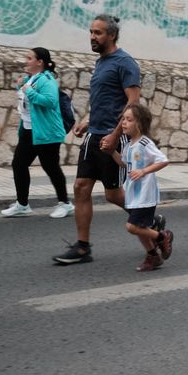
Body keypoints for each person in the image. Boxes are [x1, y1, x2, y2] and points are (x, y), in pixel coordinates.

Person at [53, 14, 142, 265]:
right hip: (94, 134)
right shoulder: (102, 62)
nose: (92, 37)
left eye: (98, 33)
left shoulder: (125, 63)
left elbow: (132, 102)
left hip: (112, 137)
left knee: (114, 195)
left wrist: (116, 135)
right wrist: (88, 121)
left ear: (111, 35)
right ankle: (83, 247)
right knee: (81, 187)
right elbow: (105, 100)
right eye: (91, 32)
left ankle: (147, 218)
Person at [0, 47, 74, 218]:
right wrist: (23, 85)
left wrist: (29, 91)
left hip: (46, 132)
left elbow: (49, 101)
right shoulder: (31, 78)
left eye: (29, 58)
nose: (25, 61)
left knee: (51, 167)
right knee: (19, 164)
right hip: (28, 130)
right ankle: (22, 205)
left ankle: (65, 204)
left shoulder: (47, 80)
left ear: (40, 62)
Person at [111, 104, 173, 271]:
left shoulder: (145, 143)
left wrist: (144, 171)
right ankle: (153, 256)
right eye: (123, 119)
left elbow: (163, 160)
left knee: (132, 227)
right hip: (133, 193)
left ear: (139, 123)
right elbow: (124, 164)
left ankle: (162, 236)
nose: (124, 122)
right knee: (141, 228)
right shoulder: (129, 144)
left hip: (145, 194)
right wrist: (111, 152)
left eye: (129, 120)